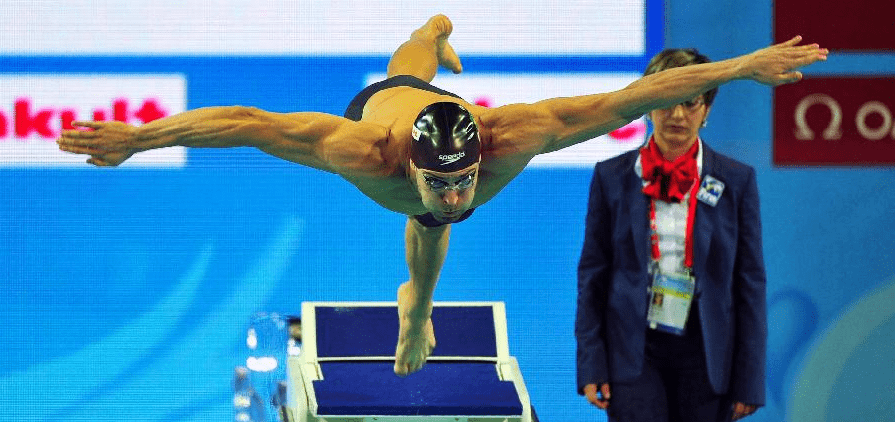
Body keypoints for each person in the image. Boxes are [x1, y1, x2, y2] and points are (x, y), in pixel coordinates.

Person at [56, 15, 825, 377]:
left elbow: (635, 96)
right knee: (410, 71)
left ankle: (417, 302)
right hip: (392, 104)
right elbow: (248, 123)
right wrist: (140, 137)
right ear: (415, 167)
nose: (456, 196)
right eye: (442, 184)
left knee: (431, 222)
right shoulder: (365, 148)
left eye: (462, 183)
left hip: (442, 124)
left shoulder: (514, 134)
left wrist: (742, 65)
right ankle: (434, 30)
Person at [576, 47, 770, 422]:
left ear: (707, 109)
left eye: (691, 101)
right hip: (633, 353)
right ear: (646, 104)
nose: (677, 114)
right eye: (666, 100)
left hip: (707, 356)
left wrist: (749, 377)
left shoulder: (736, 180)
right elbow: (593, 276)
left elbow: (750, 283)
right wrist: (591, 363)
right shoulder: (610, 177)